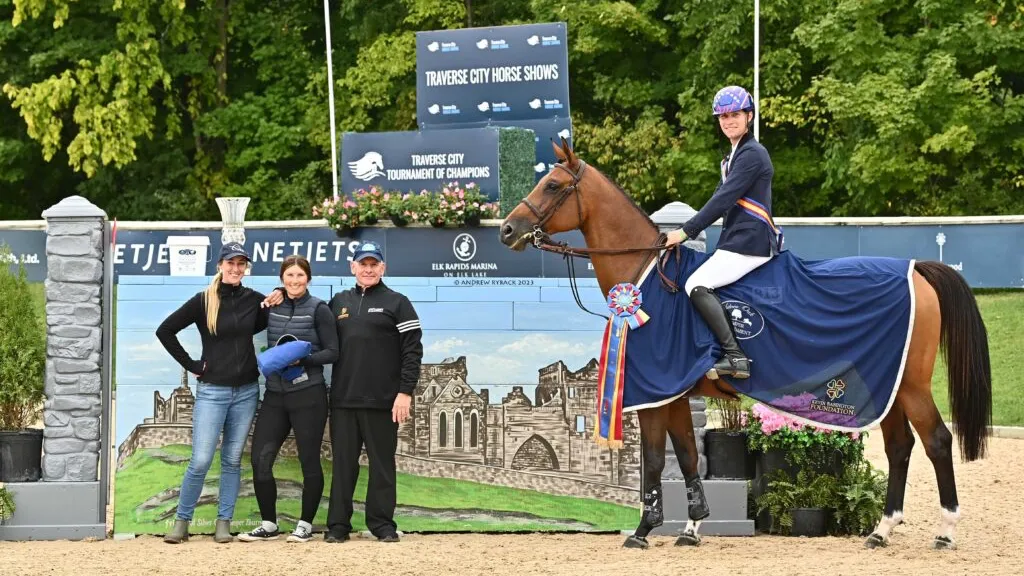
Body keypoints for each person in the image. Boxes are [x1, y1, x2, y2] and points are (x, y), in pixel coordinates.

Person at [156, 242, 284, 544]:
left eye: (241, 264)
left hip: (247, 392)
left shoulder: (253, 300)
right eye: (231, 263)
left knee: (231, 460)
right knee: (200, 460)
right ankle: (182, 522)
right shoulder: (204, 300)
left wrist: (277, 295)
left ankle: (223, 522)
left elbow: (269, 316)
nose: (236, 269)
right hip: (212, 391)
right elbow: (165, 330)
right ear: (220, 266)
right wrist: (193, 365)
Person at [665, 85, 783, 380]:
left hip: (750, 242)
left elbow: (722, 201)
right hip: (738, 239)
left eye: (735, 115)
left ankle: (736, 358)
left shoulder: (752, 154)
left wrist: (684, 232)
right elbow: (718, 197)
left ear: (749, 116)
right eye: (723, 116)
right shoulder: (734, 156)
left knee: (696, 284)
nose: (728, 121)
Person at [324, 240, 423, 543]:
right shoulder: (337, 301)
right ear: (352, 267)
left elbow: (412, 351)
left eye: (373, 264)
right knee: (342, 466)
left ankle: (381, 525)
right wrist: (279, 297)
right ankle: (338, 527)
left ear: (383, 268)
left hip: (384, 402)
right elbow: (314, 331)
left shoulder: (398, 302)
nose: (368, 269)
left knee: (382, 467)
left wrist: (405, 392)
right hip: (343, 400)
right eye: (362, 264)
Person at [237, 255, 339, 543]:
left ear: (308, 278)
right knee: (260, 459)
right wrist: (270, 300)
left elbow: (333, 352)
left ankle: (305, 525)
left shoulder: (319, 309)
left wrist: (301, 359)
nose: (294, 281)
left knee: (309, 461)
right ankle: (269, 523)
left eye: (300, 276)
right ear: (282, 279)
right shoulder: (273, 305)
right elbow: (247, 323)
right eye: (289, 276)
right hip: (275, 396)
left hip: (309, 396)